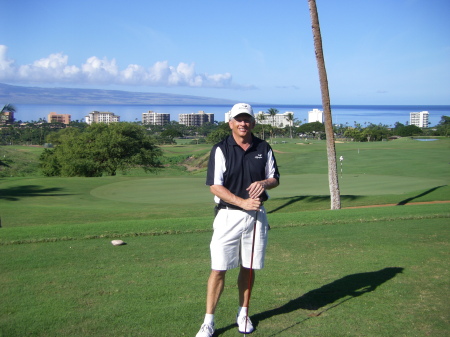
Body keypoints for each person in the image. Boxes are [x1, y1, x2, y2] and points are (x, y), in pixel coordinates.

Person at [196, 103, 280, 336]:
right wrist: (242, 202)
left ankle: (243, 314)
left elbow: (274, 178)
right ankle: (208, 321)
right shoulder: (221, 149)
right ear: (230, 122)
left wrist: (263, 183)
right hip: (227, 216)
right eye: (238, 119)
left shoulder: (263, 147)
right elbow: (215, 186)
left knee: (249, 268)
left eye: (247, 119)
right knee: (219, 268)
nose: (243, 123)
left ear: (253, 123)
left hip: (256, 216)